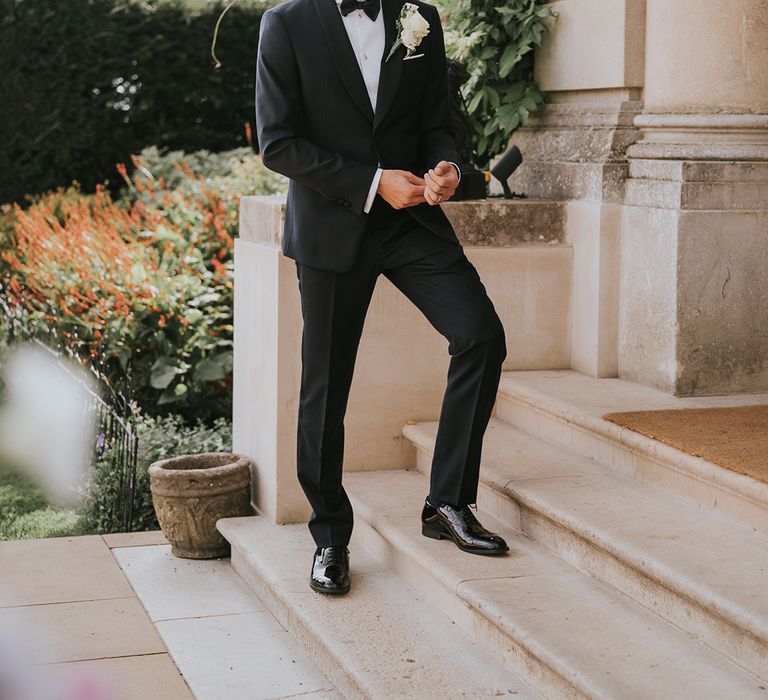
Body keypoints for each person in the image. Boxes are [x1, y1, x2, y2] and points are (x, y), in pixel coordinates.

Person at [255, 0, 509, 596]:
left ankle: (446, 501)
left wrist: (444, 163)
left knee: (480, 336)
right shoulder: (286, 23)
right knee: (326, 383)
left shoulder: (419, 16)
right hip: (332, 225)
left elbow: (436, 118)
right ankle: (329, 537)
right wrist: (372, 183)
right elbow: (277, 142)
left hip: (410, 225)